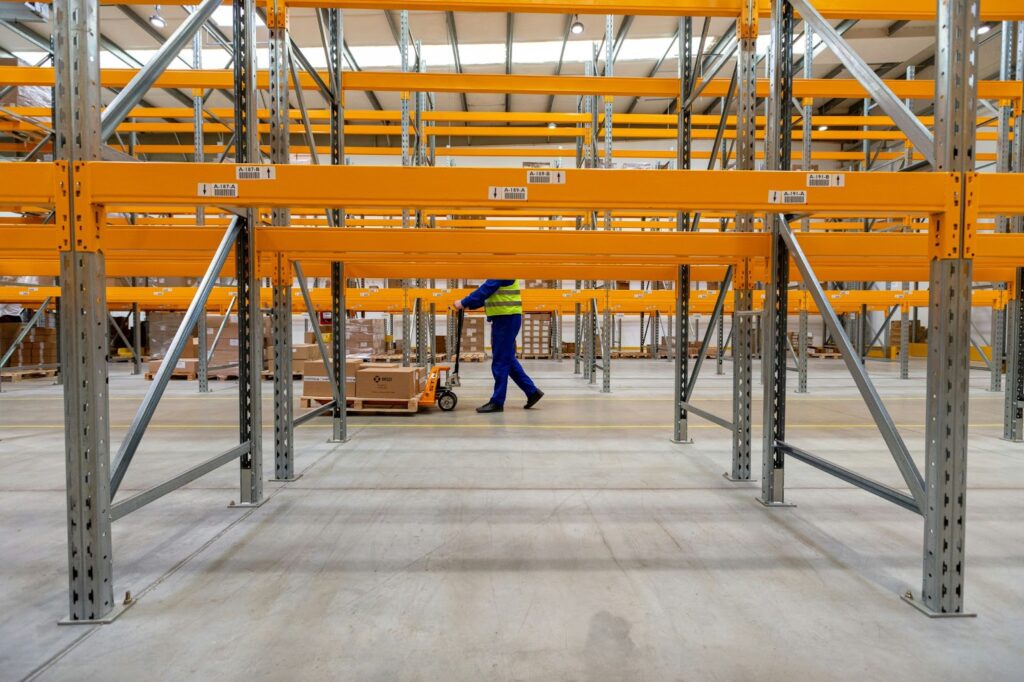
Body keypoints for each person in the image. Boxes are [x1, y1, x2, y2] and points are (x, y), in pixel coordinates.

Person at [454, 280, 544, 413]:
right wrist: (468, 304)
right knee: (507, 359)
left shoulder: (503, 268)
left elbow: (485, 289)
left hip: (506, 318)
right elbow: (488, 295)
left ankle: (497, 402)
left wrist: (463, 302)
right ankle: (532, 392)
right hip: (505, 317)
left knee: (500, 361)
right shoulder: (501, 268)